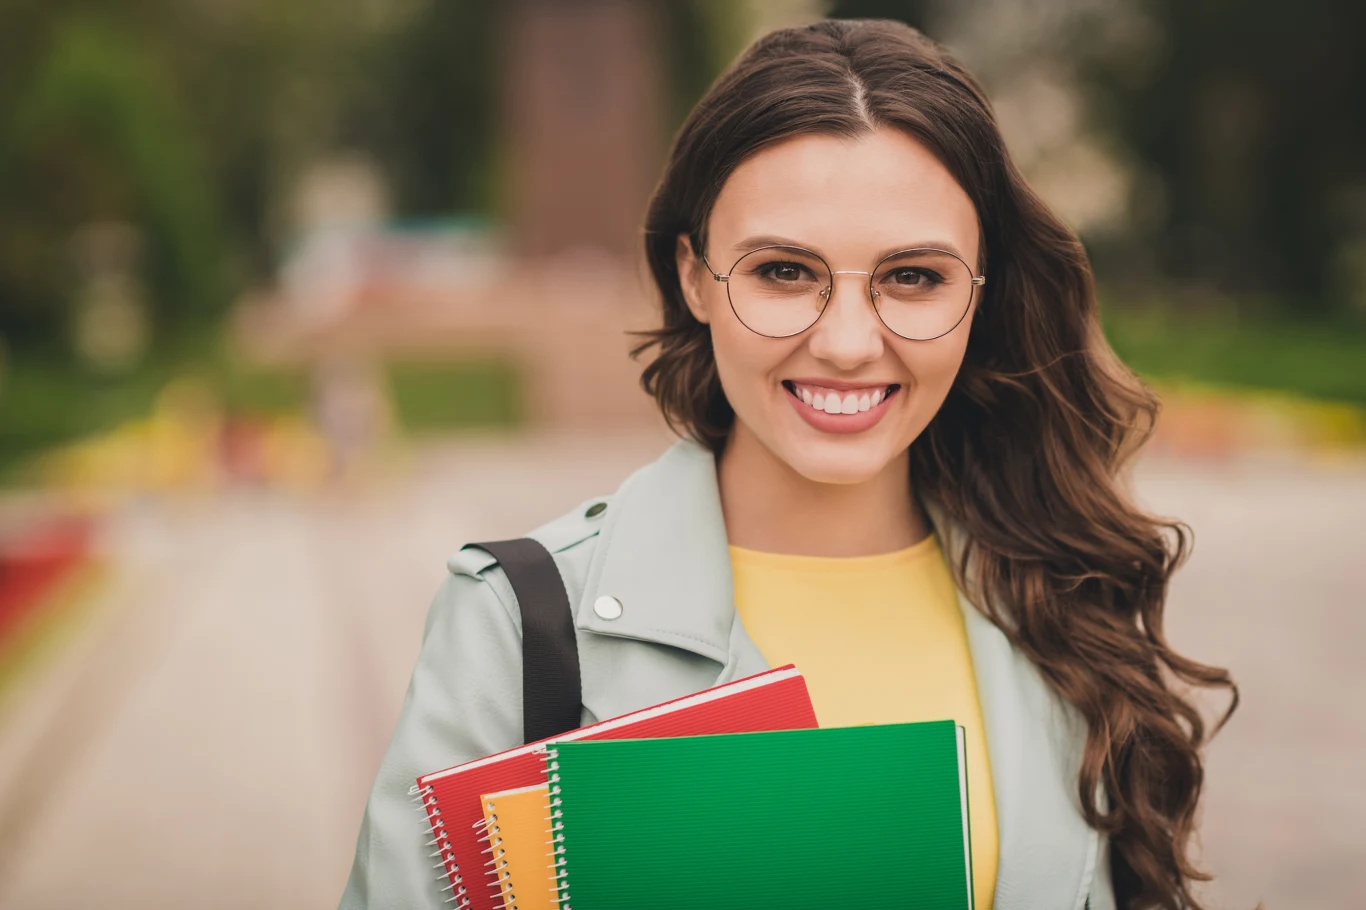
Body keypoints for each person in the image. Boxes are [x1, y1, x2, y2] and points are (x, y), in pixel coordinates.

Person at [339, 18, 1237, 910]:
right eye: (783, 272)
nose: (848, 343)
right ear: (694, 277)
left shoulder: (1063, 599)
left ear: (982, 290)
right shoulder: (519, 627)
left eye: (914, 277)